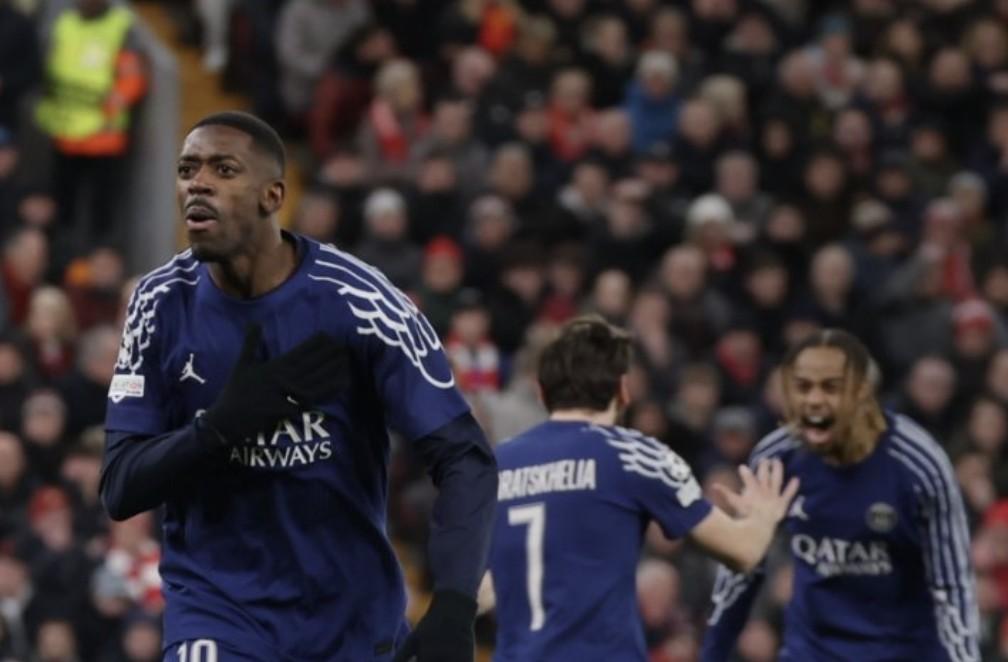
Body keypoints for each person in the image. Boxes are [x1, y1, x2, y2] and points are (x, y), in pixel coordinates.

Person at [99, 111, 498, 662]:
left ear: (273, 195)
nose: (198, 183)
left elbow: (465, 458)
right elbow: (121, 486)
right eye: (187, 169)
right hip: (219, 610)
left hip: (351, 619)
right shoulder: (159, 302)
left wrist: (453, 605)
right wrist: (218, 429)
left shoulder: (361, 303)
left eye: (223, 169)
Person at [485, 315, 799, 661]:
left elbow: (478, 590)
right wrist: (764, 514)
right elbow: (743, 551)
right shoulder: (633, 456)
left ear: (542, 392)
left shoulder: (497, 464)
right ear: (623, 390)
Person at [701, 329, 980, 661]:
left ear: (864, 395)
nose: (813, 401)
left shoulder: (918, 465)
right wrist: (712, 654)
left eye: (832, 388)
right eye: (803, 387)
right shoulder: (777, 459)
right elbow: (741, 567)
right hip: (813, 651)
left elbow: (951, 586)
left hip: (904, 652)